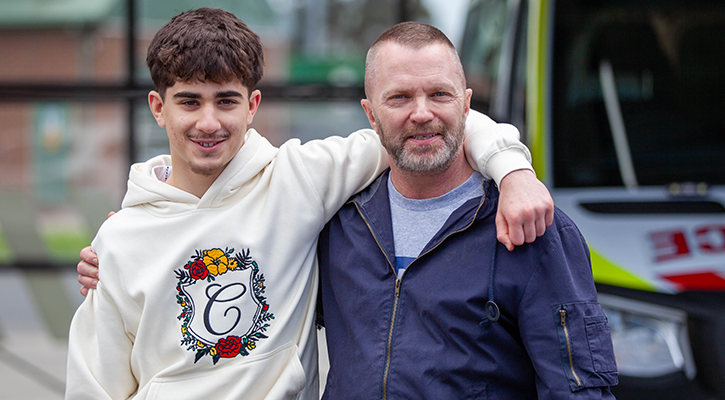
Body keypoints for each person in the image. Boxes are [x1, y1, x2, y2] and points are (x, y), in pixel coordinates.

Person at [67, 8, 553, 400]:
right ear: (158, 107)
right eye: (189, 102)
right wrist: (115, 247)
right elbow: (94, 383)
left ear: (253, 105)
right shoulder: (120, 239)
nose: (209, 122)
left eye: (227, 101)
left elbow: (434, 123)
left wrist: (514, 172)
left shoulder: (300, 178)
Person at [317, 21, 618, 399]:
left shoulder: (531, 225)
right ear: (371, 114)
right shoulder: (339, 224)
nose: (422, 113)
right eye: (399, 98)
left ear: (467, 104)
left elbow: (578, 391)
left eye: (440, 94)